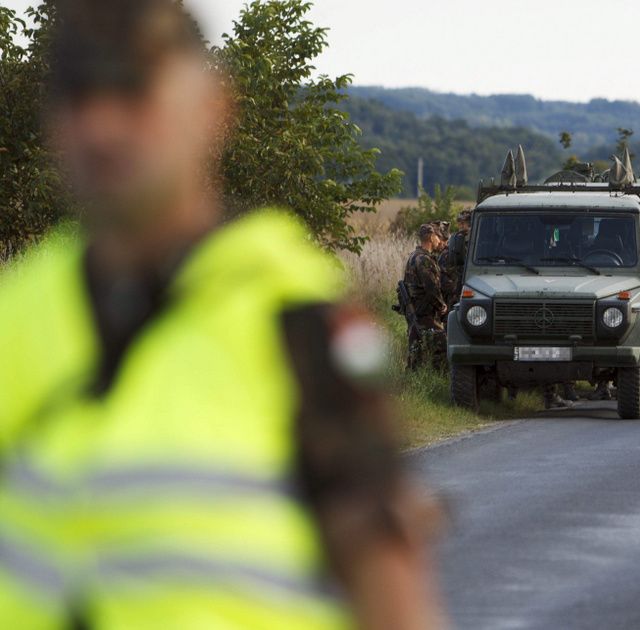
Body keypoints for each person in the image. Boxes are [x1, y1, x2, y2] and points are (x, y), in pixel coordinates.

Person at [0, 1, 446, 628]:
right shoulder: (15, 313)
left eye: (133, 91)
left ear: (212, 109)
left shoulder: (297, 324)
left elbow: (392, 597)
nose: (100, 125)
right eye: (76, 96)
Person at [402, 224, 449, 370]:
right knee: (442, 347)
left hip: (416, 310)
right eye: (437, 236)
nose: (439, 240)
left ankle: (414, 376)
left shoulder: (413, 256)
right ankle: (439, 377)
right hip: (425, 312)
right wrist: (442, 306)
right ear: (431, 237)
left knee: (416, 348)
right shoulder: (424, 259)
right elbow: (431, 289)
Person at [439, 209, 472, 310]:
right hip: (455, 285)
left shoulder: (476, 240)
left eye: (463, 223)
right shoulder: (456, 240)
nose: (460, 226)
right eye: (459, 223)